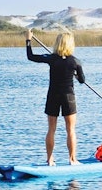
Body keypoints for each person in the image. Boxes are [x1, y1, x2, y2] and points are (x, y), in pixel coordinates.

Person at [25, 29, 85, 166]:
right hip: (68, 97)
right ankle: (72, 160)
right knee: (70, 129)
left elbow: (31, 57)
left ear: (58, 44)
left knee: (51, 129)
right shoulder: (76, 61)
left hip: (53, 96)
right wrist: (76, 75)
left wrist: (28, 40)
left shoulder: (51, 58)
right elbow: (82, 80)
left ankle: (50, 159)